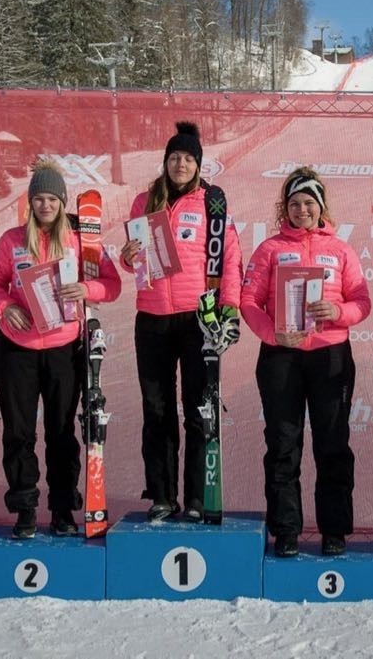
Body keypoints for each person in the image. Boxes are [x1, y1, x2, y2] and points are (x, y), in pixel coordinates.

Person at [0, 159, 122, 539]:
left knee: (61, 433)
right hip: (17, 349)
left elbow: (112, 285)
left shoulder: (80, 241)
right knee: (19, 433)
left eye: (52, 199)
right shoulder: (12, 240)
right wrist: (5, 306)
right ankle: (25, 510)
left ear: (62, 202)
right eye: (39, 199)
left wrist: (86, 289)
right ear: (31, 202)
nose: (45, 205)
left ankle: (62, 509)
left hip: (63, 350)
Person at [240, 167, 371, 558]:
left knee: (333, 444)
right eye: (295, 204)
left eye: (309, 203)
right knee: (283, 444)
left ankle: (334, 531)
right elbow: (249, 302)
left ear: (321, 206)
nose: (302, 210)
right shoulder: (269, 249)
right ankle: (286, 530)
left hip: (330, 355)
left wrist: (337, 311)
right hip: (282, 355)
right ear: (286, 208)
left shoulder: (341, 250)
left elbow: (362, 302)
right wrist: (272, 334)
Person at [119, 121, 243, 522]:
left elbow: (230, 260)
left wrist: (229, 309)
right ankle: (162, 496)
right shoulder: (145, 201)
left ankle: (197, 497)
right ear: (165, 162)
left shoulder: (212, 203)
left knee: (197, 410)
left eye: (189, 158)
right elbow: (135, 260)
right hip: (152, 319)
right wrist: (127, 257)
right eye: (174, 157)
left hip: (197, 320)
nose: (181, 165)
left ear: (198, 164)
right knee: (157, 410)